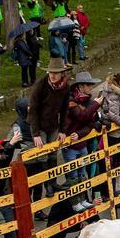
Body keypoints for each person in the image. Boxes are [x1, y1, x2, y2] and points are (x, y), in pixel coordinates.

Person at [29, 57, 72, 196]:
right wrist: (36, 133)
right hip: (39, 124)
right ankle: (47, 186)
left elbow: (65, 109)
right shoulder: (40, 85)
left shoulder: (65, 86)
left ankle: (53, 183)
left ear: (62, 74)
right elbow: (33, 110)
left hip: (53, 124)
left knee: (53, 153)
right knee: (42, 155)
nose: (53, 75)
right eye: (51, 72)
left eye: (56, 73)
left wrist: (62, 130)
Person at [63, 71, 104, 212]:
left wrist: (79, 134)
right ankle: (75, 202)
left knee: (82, 173)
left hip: (81, 142)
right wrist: (96, 105)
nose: (91, 88)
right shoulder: (70, 101)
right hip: (69, 144)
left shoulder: (88, 101)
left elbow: (90, 123)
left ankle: (84, 199)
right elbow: (82, 116)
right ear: (80, 86)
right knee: (73, 175)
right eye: (88, 85)